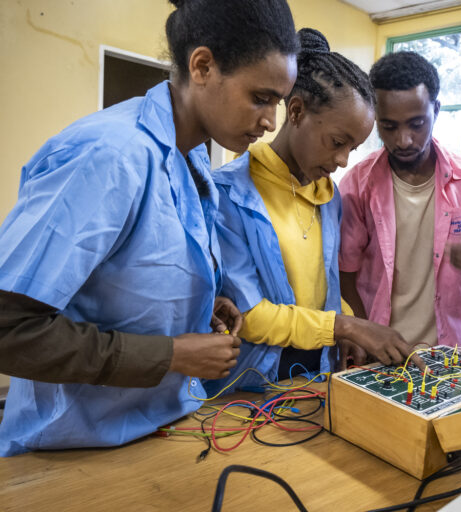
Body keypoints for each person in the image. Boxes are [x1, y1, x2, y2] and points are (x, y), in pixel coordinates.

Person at [0, 0, 298, 456]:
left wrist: (201, 304)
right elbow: (10, 329)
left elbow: (135, 277)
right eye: (261, 98)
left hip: (167, 428)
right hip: (72, 447)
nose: (270, 121)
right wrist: (173, 354)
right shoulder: (109, 155)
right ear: (202, 66)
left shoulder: (194, 156)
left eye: (278, 102)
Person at [205, 28, 418, 396]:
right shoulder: (229, 193)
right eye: (337, 142)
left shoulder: (328, 198)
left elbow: (324, 293)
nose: (341, 160)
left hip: (313, 379)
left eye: (352, 148)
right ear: (297, 111)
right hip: (245, 387)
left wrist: (346, 323)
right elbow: (250, 316)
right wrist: (347, 327)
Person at [339, 51, 461, 354]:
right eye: (388, 126)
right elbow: (345, 274)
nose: (404, 140)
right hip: (382, 356)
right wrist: (366, 333)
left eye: (416, 123)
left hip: (452, 354)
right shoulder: (356, 185)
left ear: (437, 111)